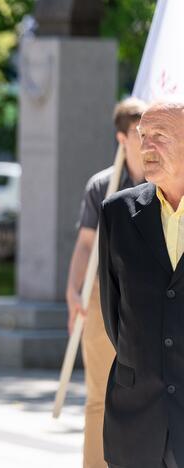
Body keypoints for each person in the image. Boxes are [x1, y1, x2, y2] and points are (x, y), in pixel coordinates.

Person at [98, 100, 184, 467]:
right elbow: (113, 313)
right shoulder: (117, 212)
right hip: (136, 419)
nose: (146, 146)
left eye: (159, 136)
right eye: (142, 136)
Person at [64, 97, 147, 468]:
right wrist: (73, 290)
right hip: (103, 292)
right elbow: (85, 244)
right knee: (99, 393)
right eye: (138, 132)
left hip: (151, 296)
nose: (147, 138)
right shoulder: (102, 185)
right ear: (121, 138)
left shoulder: (169, 180)